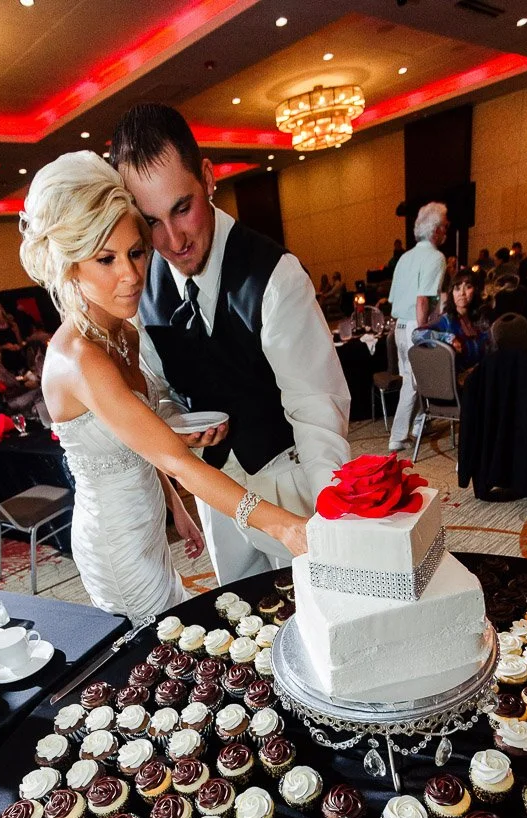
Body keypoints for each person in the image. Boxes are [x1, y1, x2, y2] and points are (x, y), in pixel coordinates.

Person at [19, 151, 309, 621]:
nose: (131, 275)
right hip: (115, 544)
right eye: (105, 259)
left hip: (148, 522)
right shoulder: (79, 359)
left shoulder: (125, 333)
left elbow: (143, 443)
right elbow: (170, 456)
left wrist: (175, 505)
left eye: (136, 252)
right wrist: (288, 527)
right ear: (70, 266)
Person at [110, 104, 350, 585]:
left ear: (207, 177)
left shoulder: (275, 276)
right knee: (243, 615)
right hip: (218, 491)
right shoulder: (142, 287)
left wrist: (333, 521)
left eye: (182, 208)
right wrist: (176, 423)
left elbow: (316, 410)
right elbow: (155, 386)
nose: (174, 240)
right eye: (151, 221)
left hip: (290, 481)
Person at [387, 201, 448, 452]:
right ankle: (398, 435)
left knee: (412, 379)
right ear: (435, 231)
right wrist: (425, 330)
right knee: (414, 383)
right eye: (444, 227)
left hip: (400, 325)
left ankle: (418, 425)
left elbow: (393, 299)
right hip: (416, 323)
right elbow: (422, 299)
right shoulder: (436, 257)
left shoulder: (405, 257)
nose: (446, 231)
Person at [413, 270, 489, 381]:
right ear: (452, 292)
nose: (462, 293)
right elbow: (416, 335)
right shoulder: (446, 319)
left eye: (468, 287)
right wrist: (448, 338)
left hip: (481, 377)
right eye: (457, 288)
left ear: (476, 291)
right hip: (458, 384)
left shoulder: (479, 319)